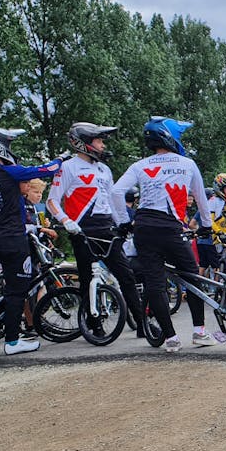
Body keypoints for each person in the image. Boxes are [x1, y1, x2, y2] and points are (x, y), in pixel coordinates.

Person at [110, 116, 221, 353]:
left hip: (143, 228)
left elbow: (116, 192)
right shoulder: (187, 163)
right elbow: (201, 198)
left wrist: (123, 222)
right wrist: (207, 226)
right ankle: (199, 331)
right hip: (170, 228)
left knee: (155, 283)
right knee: (193, 277)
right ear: (170, 137)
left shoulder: (140, 165)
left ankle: (170, 338)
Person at [48, 121, 146, 338]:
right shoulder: (67, 167)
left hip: (105, 229)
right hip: (81, 230)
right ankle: (94, 325)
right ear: (84, 143)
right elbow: (52, 201)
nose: (102, 145)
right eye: (99, 140)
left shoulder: (105, 169)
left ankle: (142, 323)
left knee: (126, 275)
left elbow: (111, 201)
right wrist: (66, 221)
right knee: (86, 280)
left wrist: (123, 224)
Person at [0, 125, 66, 354]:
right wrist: (61, 158)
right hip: (13, 238)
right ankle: (12, 341)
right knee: (18, 290)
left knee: (13, 285)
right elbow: (45, 170)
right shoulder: (9, 171)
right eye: (8, 144)